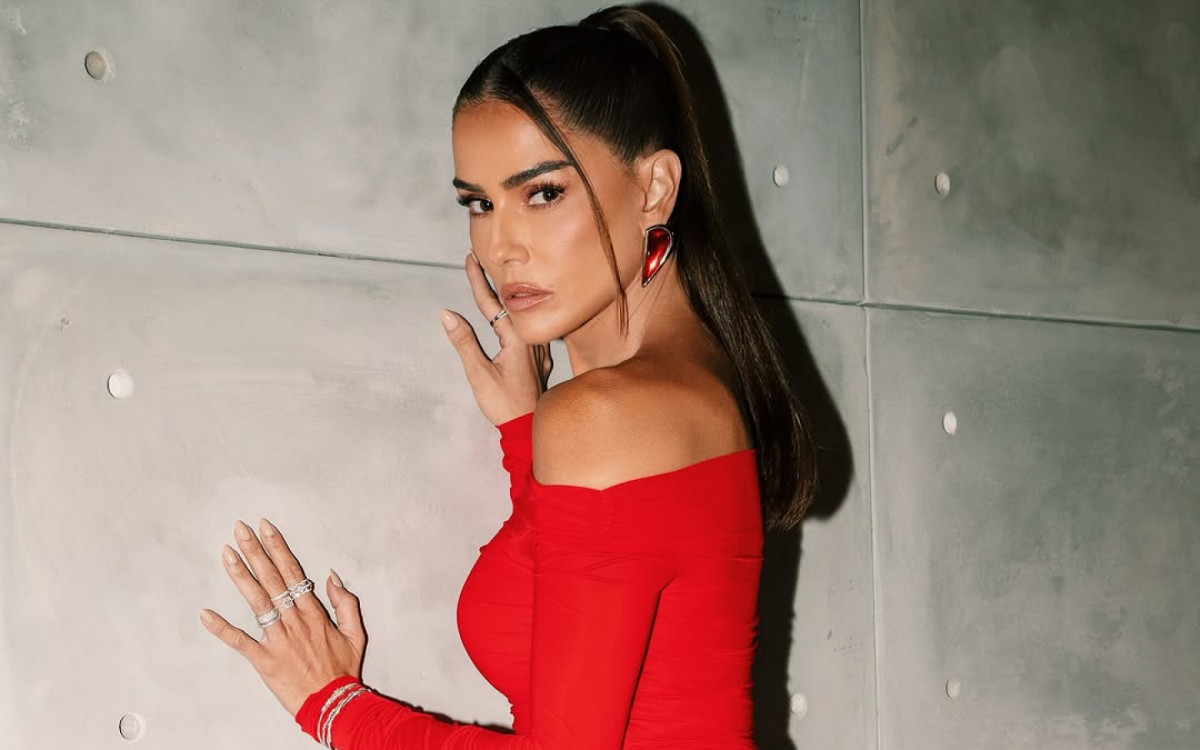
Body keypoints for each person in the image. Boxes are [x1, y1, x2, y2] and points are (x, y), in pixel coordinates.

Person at [200, 5, 817, 749]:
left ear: (655, 188)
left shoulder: (615, 414)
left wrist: (335, 709)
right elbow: (621, 605)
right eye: (479, 203)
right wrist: (528, 433)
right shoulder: (669, 399)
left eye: (543, 193)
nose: (501, 246)